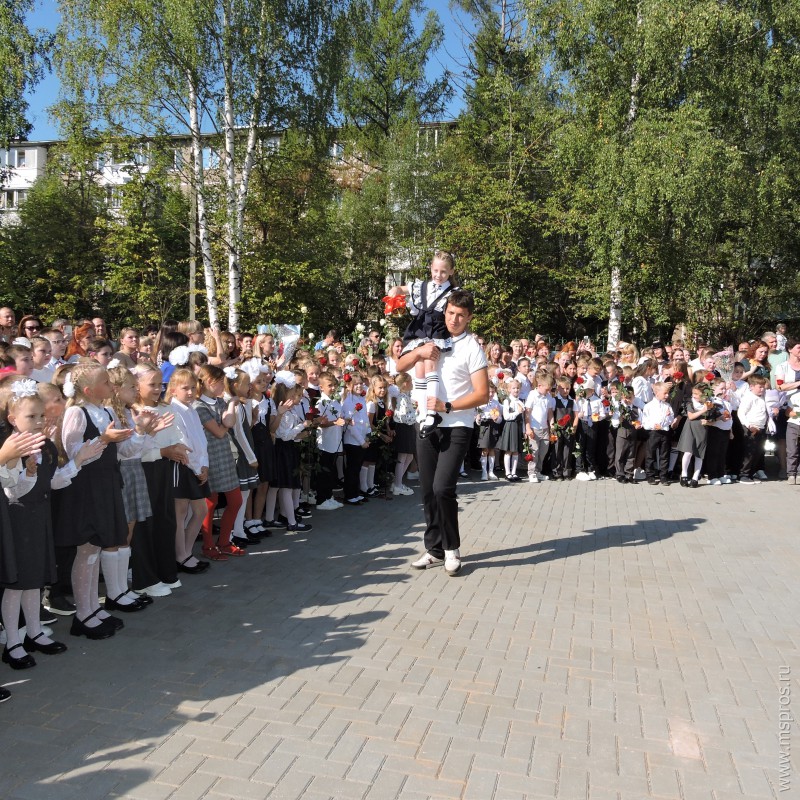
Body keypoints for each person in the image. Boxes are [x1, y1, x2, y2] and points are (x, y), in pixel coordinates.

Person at [396, 290, 489, 577]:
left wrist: (447, 406)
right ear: (444, 311)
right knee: (427, 490)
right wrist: (418, 352)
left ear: (469, 317)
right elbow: (399, 367)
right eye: (450, 312)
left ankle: (452, 549)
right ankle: (434, 549)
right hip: (425, 423)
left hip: (457, 425)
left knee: (442, 488)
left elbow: (483, 394)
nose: (454, 319)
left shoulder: (472, 347)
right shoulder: (429, 338)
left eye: (461, 315)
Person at [388, 250, 458, 436]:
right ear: (430, 269)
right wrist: (395, 290)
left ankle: (432, 412)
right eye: (435, 270)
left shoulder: (453, 293)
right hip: (419, 331)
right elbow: (404, 289)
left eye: (443, 272)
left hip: (437, 332)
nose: (438, 275)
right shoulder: (423, 286)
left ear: (451, 272)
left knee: (429, 364)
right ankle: (422, 410)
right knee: (419, 367)